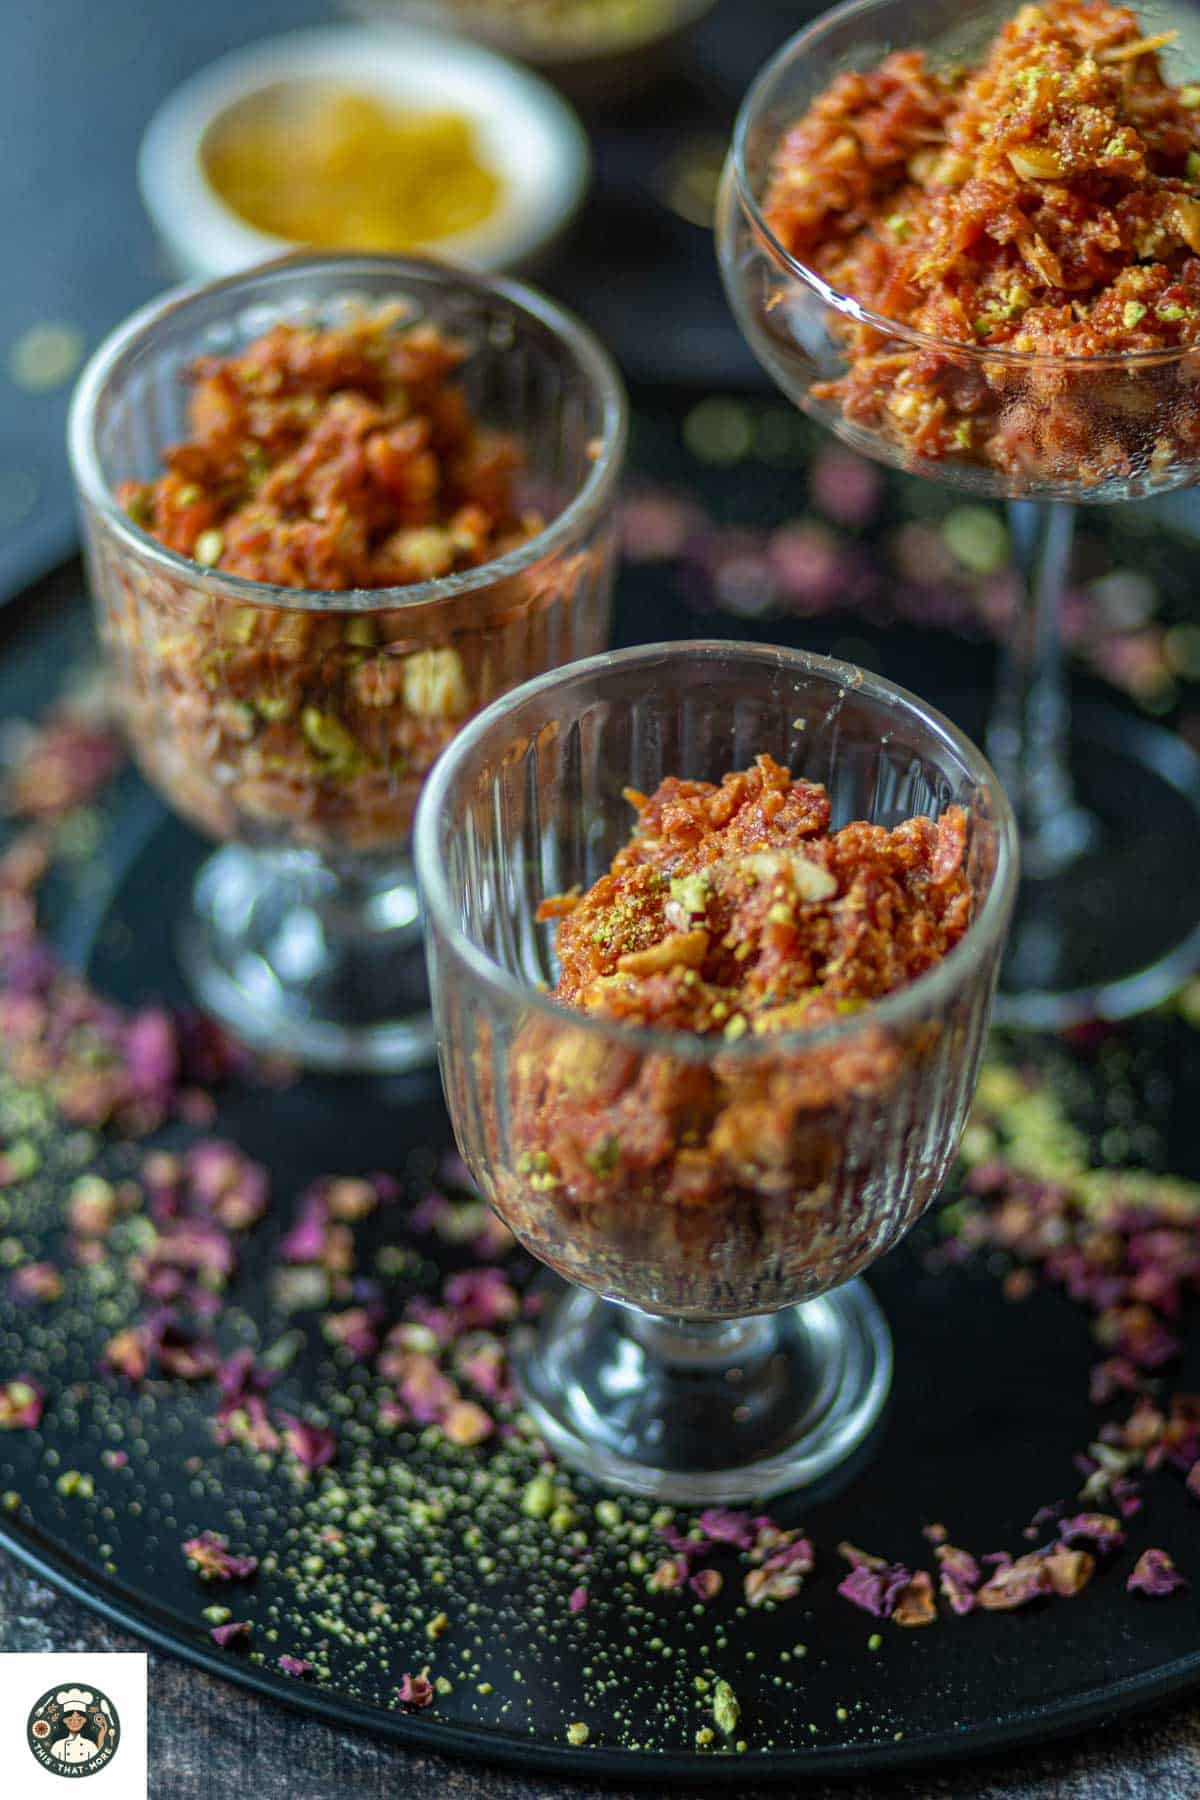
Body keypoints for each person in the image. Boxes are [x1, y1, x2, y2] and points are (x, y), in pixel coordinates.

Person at [49, 1688, 105, 1764]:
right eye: (70, 1720)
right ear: (64, 1721)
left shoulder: (90, 1745)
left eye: (79, 1720)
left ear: (84, 1721)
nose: (75, 1723)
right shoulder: (58, 1746)